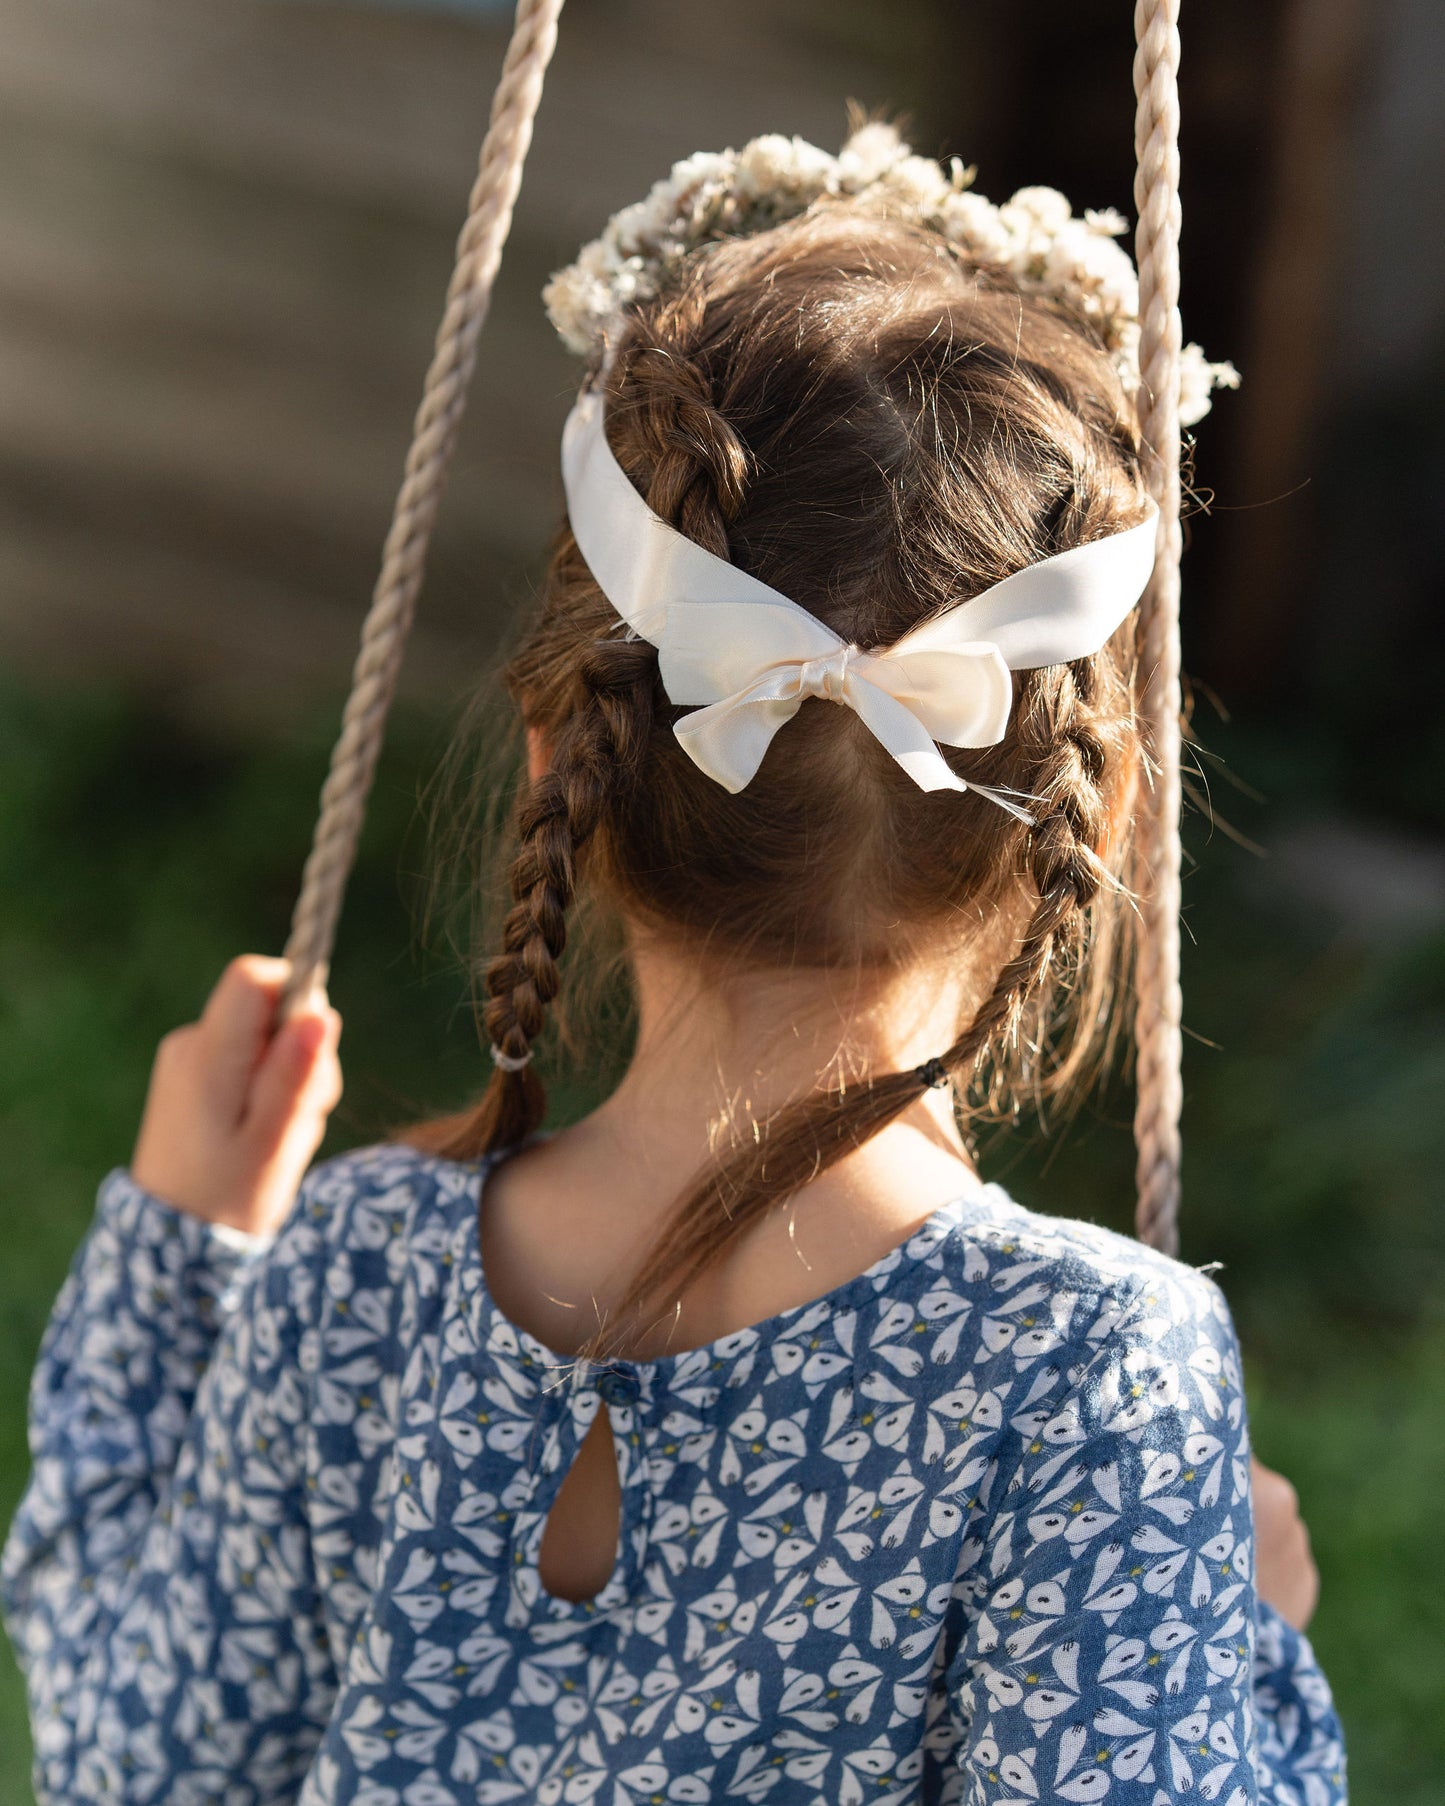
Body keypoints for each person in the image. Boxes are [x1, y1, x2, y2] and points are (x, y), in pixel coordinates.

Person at [2, 127, 1345, 1804]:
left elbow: (143, 1762)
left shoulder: (355, 1272)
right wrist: (1246, 1643)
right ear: (1101, 803)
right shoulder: (1079, 1375)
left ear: (566, 749)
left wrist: (178, 1256)